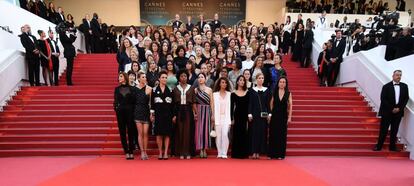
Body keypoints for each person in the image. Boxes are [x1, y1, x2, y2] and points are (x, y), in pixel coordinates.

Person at [374, 70, 409, 152]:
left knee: (395, 130)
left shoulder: (405, 86)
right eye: (397, 75)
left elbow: (406, 98)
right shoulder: (386, 86)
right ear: (393, 76)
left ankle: (392, 147)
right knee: (384, 129)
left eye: (400, 75)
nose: (399, 77)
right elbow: (383, 99)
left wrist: (399, 108)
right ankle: (379, 146)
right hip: (387, 111)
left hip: (398, 112)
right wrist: (391, 109)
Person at [173, 70, 197, 159]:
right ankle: (180, 152)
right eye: (182, 76)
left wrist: (195, 113)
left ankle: (187, 152)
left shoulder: (191, 88)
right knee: (179, 131)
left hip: (188, 111)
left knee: (188, 131)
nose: (184, 78)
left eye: (185, 76)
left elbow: (194, 102)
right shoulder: (175, 89)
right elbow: (174, 104)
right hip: (178, 111)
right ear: (179, 77)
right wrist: (174, 115)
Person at [151, 71, 175, 160]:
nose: (164, 79)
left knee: (167, 134)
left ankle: (165, 153)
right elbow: (152, 104)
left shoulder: (171, 89)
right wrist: (152, 114)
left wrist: (173, 115)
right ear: (159, 79)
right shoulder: (154, 90)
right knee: (159, 134)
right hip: (158, 114)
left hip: (168, 114)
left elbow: (173, 104)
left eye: (166, 77)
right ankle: (160, 152)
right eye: (163, 77)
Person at [248, 73, 271, 159]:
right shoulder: (252, 90)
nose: (261, 79)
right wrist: (249, 114)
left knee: (262, 132)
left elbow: (268, 103)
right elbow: (250, 103)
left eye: (262, 78)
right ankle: (254, 152)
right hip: (254, 114)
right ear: (256, 79)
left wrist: (269, 113)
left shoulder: (267, 90)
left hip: (264, 115)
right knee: (254, 133)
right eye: (259, 78)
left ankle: (259, 151)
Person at [113, 72, 136, 160]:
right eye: (119, 76)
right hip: (120, 112)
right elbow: (115, 101)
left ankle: (131, 151)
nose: (119, 78)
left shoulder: (132, 88)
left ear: (125, 77)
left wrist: (133, 110)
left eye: (121, 76)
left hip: (130, 111)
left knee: (131, 131)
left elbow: (134, 101)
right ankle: (126, 151)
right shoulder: (117, 89)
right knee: (122, 131)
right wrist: (116, 108)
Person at [268, 77, 292, 160]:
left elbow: (290, 105)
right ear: (278, 83)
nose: (282, 83)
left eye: (284, 82)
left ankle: (280, 154)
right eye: (281, 82)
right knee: (273, 134)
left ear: (286, 84)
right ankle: (272, 154)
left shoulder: (288, 93)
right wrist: (271, 114)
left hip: (283, 117)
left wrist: (289, 117)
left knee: (282, 135)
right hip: (274, 116)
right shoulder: (274, 92)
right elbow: (271, 104)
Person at [194, 73, 213, 158]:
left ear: (205, 79)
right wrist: (194, 113)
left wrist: (213, 114)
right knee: (199, 130)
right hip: (198, 110)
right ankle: (200, 148)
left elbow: (212, 102)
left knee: (206, 130)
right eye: (199, 77)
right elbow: (193, 103)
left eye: (202, 77)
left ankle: (205, 149)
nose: (200, 78)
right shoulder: (195, 90)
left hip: (207, 111)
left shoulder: (209, 90)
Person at [231, 75, 250, 159]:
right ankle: (236, 153)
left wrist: (249, 114)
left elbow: (249, 105)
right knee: (236, 133)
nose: (242, 81)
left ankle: (244, 153)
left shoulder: (248, 92)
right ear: (237, 82)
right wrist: (231, 118)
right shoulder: (233, 93)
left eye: (243, 80)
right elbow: (231, 107)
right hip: (237, 115)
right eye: (240, 80)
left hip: (245, 115)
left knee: (244, 132)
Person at [212, 77, 232, 159]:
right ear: (219, 84)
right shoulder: (214, 94)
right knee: (218, 135)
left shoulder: (229, 94)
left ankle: (224, 152)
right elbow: (212, 106)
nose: (224, 84)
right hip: (217, 116)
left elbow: (232, 107)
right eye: (222, 82)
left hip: (226, 117)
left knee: (224, 134)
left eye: (225, 83)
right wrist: (212, 115)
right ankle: (219, 152)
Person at [134, 72, 152, 160]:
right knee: (140, 133)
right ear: (139, 79)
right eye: (143, 77)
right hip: (137, 111)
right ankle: (142, 152)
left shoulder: (149, 89)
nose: (144, 78)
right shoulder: (135, 89)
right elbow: (135, 101)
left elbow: (151, 103)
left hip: (146, 111)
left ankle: (145, 150)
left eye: (145, 77)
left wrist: (152, 113)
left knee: (145, 133)